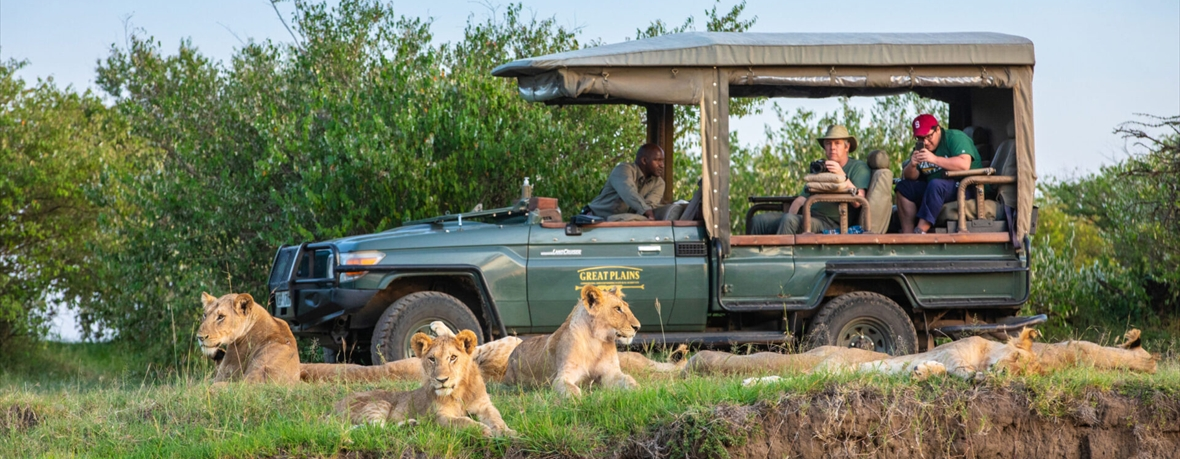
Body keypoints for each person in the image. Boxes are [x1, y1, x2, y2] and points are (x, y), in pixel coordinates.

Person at [750, 125, 870, 234]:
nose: (832, 147)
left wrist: (842, 176)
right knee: (759, 221)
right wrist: (789, 215)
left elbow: (858, 202)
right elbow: (800, 200)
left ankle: (781, 252)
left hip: (832, 223)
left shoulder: (858, 168)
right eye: (828, 143)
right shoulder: (822, 167)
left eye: (837, 143)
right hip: (809, 215)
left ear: (847, 147)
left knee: (789, 221)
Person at [895, 114, 982, 234]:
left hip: (967, 187)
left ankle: (919, 232)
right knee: (904, 187)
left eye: (928, 136)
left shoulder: (955, 137)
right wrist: (912, 165)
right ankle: (908, 235)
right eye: (920, 138)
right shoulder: (921, 148)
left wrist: (934, 159)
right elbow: (911, 177)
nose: (925, 142)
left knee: (936, 185)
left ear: (938, 129)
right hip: (935, 189)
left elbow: (964, 165)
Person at [587, 143, 666, 221]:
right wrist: (646, 211)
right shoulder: (623, 170)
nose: (662, 165)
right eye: (657, 160)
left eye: (662, 160)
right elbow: (628, 192)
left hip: (622, 223)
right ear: (644, 161)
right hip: (594, 219)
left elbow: (650, 207)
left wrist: (647, 213)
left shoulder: (659, 183)